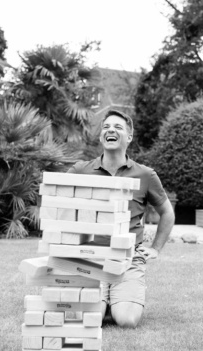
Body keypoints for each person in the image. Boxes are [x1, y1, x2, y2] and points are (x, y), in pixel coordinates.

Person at [67, 109, 175, 329]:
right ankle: (103, 299)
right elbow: (55, 199)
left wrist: (155, 248)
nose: (110, 130)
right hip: (91, 258)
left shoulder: (145, 175)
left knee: (126, 320)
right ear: (101, 137)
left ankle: (118, 296)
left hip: (128, 259)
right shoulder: (81, 170)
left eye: (118, 127)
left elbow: (167, 212)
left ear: (129, 137)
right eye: (106, 127)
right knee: (91, 320)